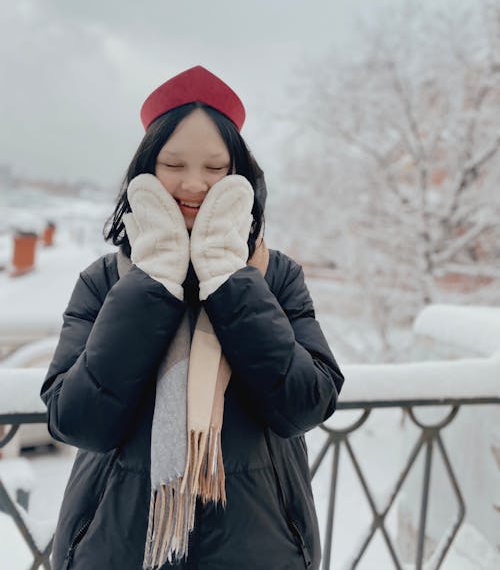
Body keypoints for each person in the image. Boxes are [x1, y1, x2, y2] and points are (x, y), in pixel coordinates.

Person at [40, 65, 345, 570]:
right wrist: (153, 281)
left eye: (215, 167)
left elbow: (305, 404)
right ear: (146, 171)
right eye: (173, 164)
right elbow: (77, 421)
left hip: (260, 550)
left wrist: (229, 280)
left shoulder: (275, 277)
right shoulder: (108, 281)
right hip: (120, 549)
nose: (194, 184)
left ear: (240, 177)